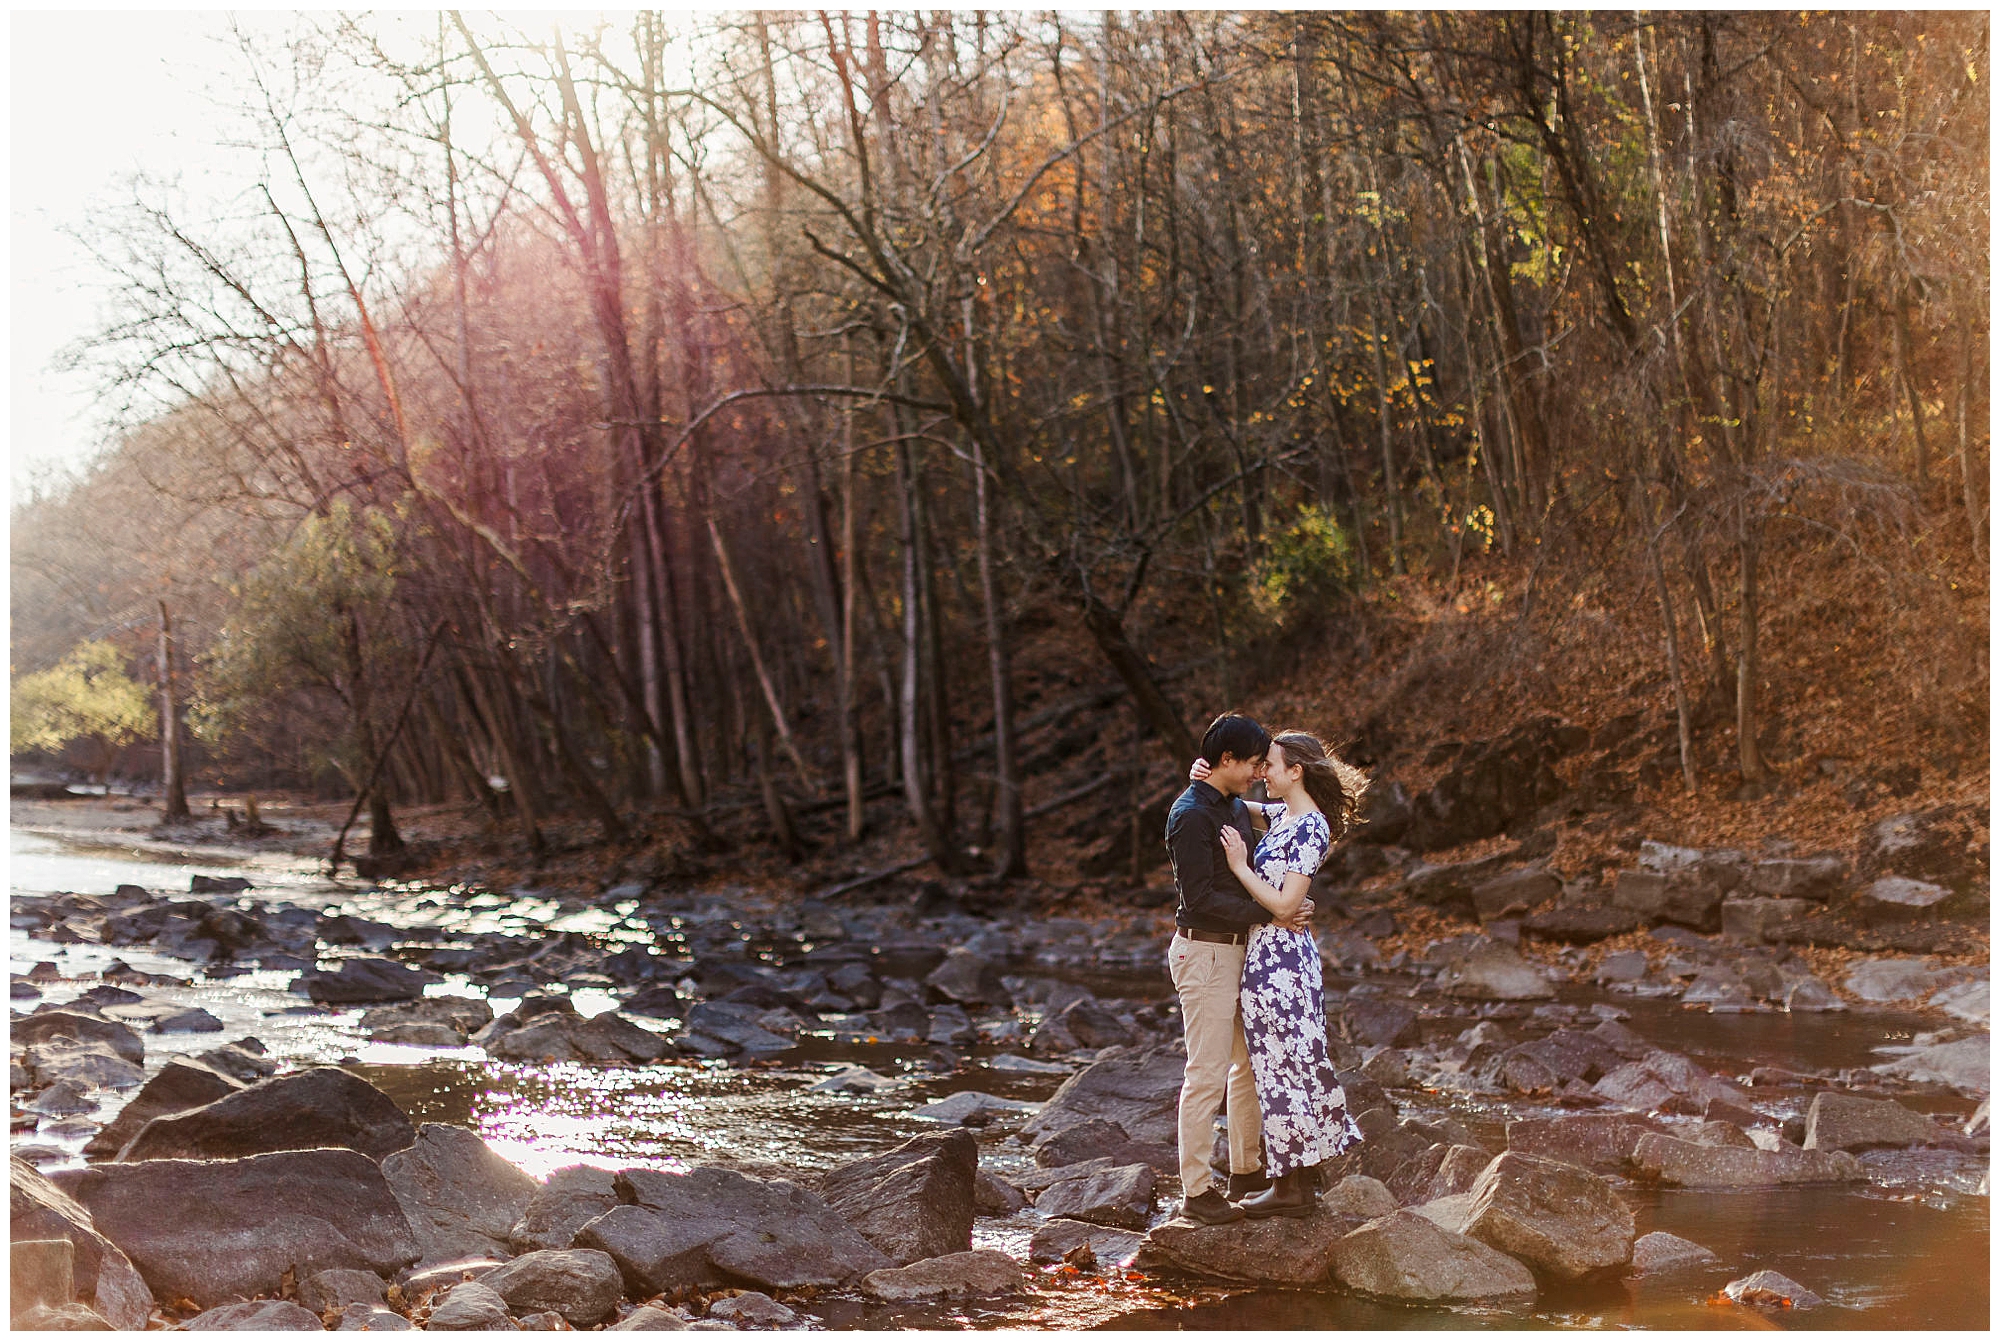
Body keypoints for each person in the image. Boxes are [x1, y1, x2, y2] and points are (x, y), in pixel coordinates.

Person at [1193, 728, 1368, 1218]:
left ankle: (1290, 1188)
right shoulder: (1283, 815)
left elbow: (1288, 904)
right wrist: (1205, 776)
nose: (1260, 772)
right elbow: (1234, 806)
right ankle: (1300, 1176)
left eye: (1269, 764)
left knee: (1282, 1071)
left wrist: (1240, 866)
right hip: (1270, 957)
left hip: (1281, 964)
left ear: (1296, 771)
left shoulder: (1310, 826)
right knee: (1287, 1065)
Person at [1162, 712, 1313, 1225]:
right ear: (1227, 760)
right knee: (1205, 1074)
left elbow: (1292, 820)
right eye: (1251, 763)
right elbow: (1200, 899)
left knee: (1245, 1066)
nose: (1257, 772)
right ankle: (1196, 1191)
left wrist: (1281, 905)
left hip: (1237, 953)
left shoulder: (1226, 803)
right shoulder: (1190, 816)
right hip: (1204, 952)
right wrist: (1275, 912)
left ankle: (1246, 1173)